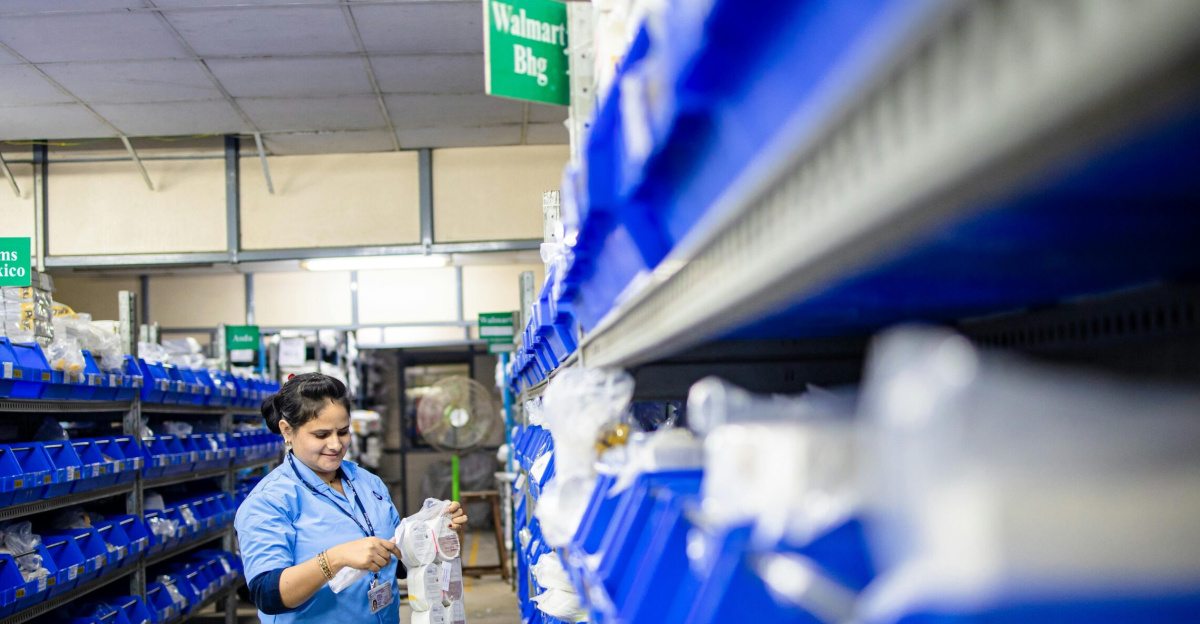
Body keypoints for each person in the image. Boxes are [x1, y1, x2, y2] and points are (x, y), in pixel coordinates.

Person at [235, 373, 467, 624]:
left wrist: (430, 533)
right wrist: (334, 558)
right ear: (287, 431)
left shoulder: (368, 483)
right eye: (321, 435)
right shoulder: (269, 501)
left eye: (343, 432)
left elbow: (398, 564)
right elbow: (267, 595)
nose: (335, 445)